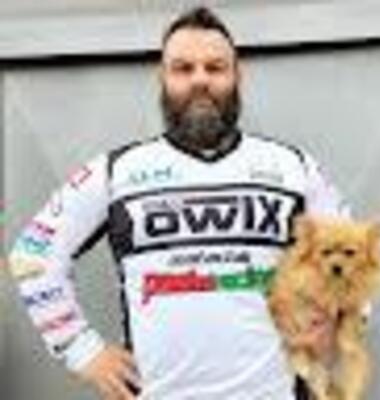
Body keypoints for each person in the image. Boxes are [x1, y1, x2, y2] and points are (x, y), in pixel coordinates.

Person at [9, 7, 349, 400]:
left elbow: (357, 255)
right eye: (183, 68)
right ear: (163, 78)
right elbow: (32, 256)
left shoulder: (293, 167)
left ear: (237, 76)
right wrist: (82, 350)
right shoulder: (116, 171)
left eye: (215, 67)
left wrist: (337, 321)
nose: (200, 79)